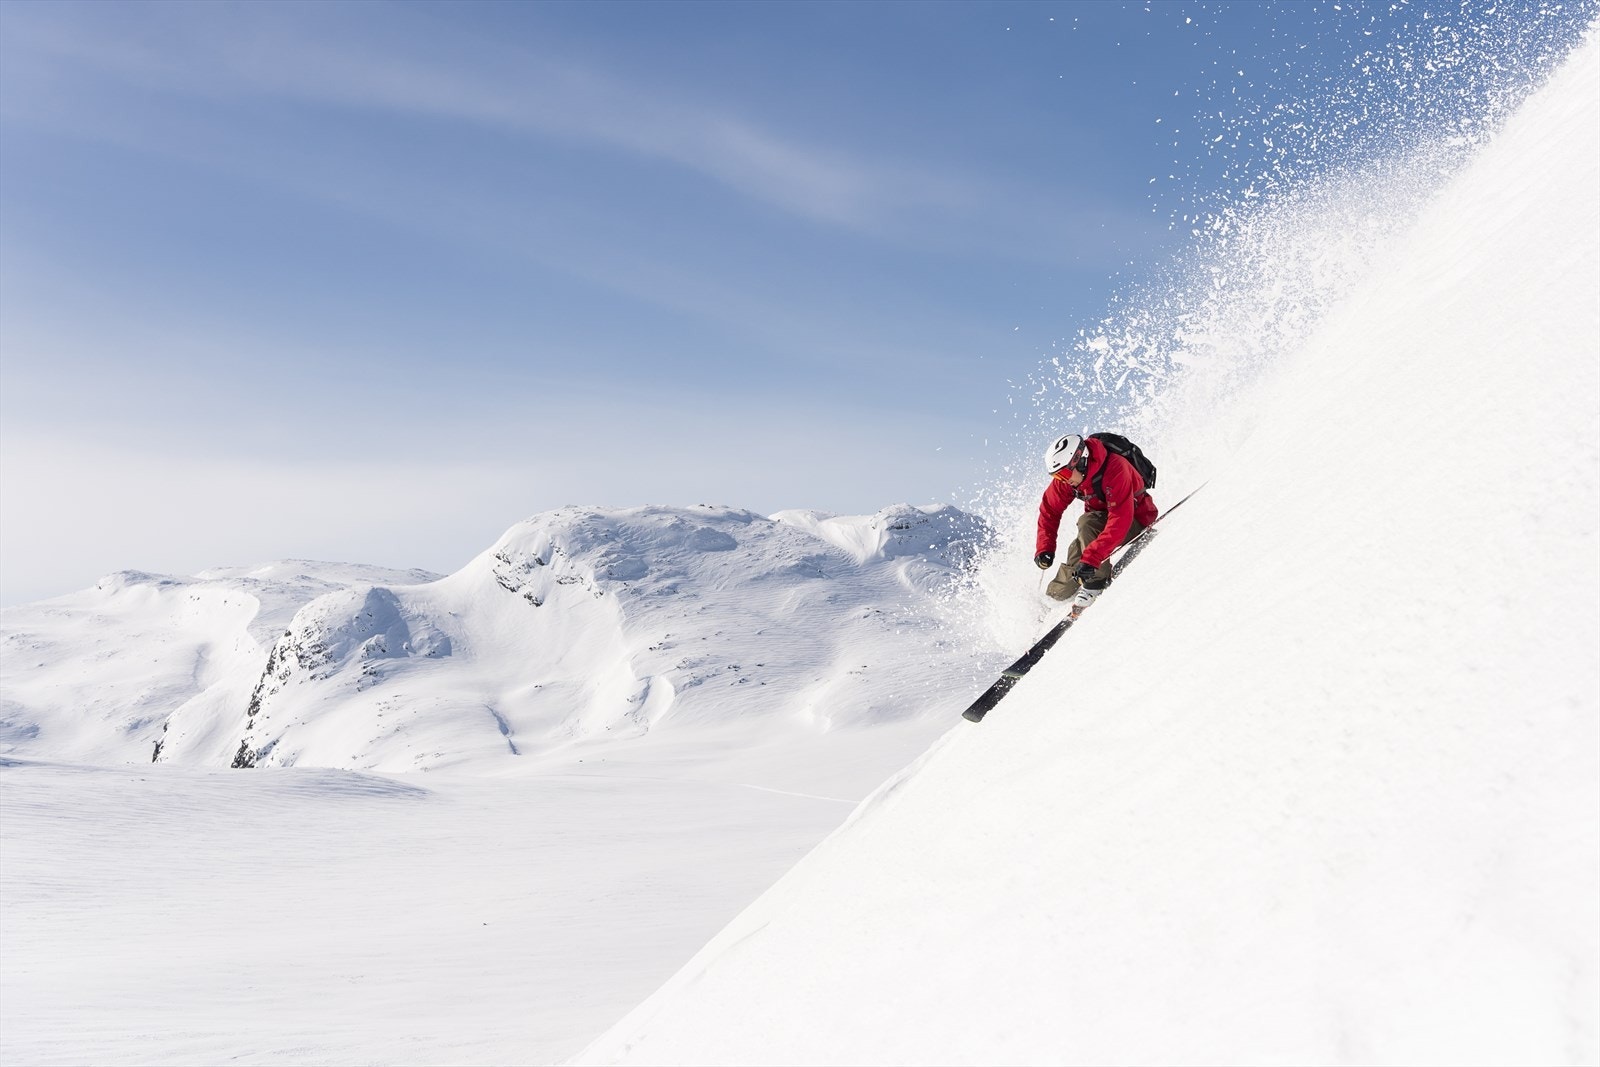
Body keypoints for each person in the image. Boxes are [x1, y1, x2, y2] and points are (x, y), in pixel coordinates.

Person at [1034, 432, 1159, 613]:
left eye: (1064, 473)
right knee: (1077, 550)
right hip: (1100, 522)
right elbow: (1049, 511)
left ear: (1080, 460)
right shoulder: (1069, 480)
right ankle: (1053, 599)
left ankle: (1096, 582)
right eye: (1058, 476)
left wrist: (1092, 561)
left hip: (1135, 520)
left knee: (1087, 527)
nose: (1064, 479)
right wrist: (1044, 548)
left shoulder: (1116, 467)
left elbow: (1120, 520)